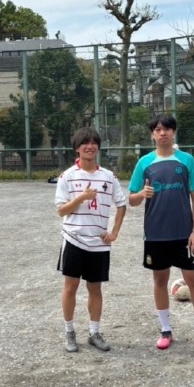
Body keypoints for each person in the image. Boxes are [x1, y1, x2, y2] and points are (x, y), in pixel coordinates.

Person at [128, 113, 194, 353]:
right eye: (158, 129)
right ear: (152, 134)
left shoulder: (186, 160)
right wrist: (141, 195)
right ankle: (165, 329)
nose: (163, 133)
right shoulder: (144, 163)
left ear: (174, 132)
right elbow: (131, 199)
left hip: (184, 234)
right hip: (156, 234)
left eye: (167, 129)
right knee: (160, 280)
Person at [55, 127, 127, 354]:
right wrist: (82, 198)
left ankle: (94, 333)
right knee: (71, 287)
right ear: (77, 148)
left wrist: (114, 232)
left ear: (98, 147)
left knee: (95, 289)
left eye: (94, 142)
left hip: (99, 243)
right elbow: (61, 211)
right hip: (74, 239)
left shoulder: (108, 176)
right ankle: (69, 332)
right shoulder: (67, 176)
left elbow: (122, 204)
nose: (90, 146)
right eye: (85, 143)